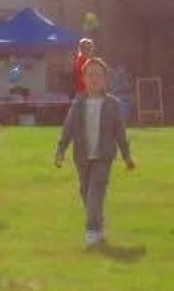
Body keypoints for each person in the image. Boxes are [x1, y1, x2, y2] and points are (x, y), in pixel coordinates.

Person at [55, 58, 135, 248]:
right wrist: (60, 150)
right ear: (83, 78)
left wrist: (127, 157)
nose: (94, 78)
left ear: (105, 80)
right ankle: (98, 225)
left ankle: (91, 233)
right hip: (82, 157)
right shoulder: (78, 104)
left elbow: (120, 133)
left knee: (95, 194)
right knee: (85, 192)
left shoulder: (113, 105)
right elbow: (68, 128)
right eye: (90, 74)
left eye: (98, 75)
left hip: (103, 157)